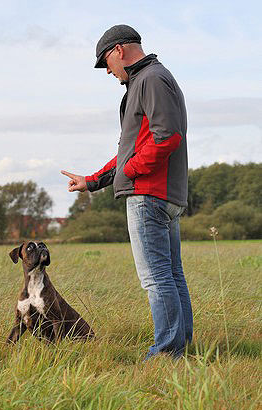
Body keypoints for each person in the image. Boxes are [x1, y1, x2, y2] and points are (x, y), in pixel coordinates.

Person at [61, 24, 193, 360]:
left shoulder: (150, 79)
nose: (107, 70)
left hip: (149, 194)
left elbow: (167, 137)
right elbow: (132, 149)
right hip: (163, 194)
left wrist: (131, 172)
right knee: (171, 275)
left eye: (106, 61)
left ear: (120, 49)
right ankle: (179, 348)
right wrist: (91, 181)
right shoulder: (150, 79)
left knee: (157, 279)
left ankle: (166, 353)